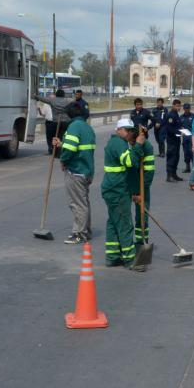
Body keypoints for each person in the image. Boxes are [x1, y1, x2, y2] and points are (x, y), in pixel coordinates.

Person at [54, 102, 95, 244]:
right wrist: (60, 144)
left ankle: (79, 233)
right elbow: (76, 146)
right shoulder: (87, 127)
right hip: (86, 170)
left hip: (76, 170)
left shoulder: (74, 127)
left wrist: (63, 160)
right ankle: (86, 231)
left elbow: (70, 149)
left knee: (77, 204)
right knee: (84, 203)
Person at [101, 118, 138, 267]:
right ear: (119, 130)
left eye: (131, 131)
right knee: (124, 224)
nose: (130, 134)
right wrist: (139, 145)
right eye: (127, 130)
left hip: (111, 188)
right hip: (117, 190)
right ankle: (129, 259)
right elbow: (129, 162)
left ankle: (113, 255)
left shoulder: (116, 142)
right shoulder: (118, 143)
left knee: (113, 222)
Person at [128, 122, 156, 261]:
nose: (132, 142)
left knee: (142, 215)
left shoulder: (147, 147)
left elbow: (149, 172)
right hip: (129, 184)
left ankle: (141, 241)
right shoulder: (131, 144)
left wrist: (141, 191)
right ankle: (130, 242)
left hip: (142, 186)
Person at [163, 99, 184, 182]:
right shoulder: (171, 115)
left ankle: (174, 174)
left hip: (177, 139)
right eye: (177, 106)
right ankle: (169, 176)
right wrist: (179, 131)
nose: (179, 108)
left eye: (179, 106)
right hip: (171, 140)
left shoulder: (176, 114)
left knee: (176, 157)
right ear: (173, 105)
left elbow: (177, 126)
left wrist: (181, 129)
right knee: (171, 157)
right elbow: (169, 129)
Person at [180, 102, 194, 174]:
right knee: (186, 153)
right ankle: (187, 167)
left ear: (190, 109)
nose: (186, 110)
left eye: (188, 108)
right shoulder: (181, 117)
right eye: (185, 108)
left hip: (192, 138)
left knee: (193, 153)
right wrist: (181, 129)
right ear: (183, 109)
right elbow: (178, 127)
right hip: (185, 138)